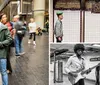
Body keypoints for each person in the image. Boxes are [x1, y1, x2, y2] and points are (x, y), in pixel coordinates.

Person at [0, 13, 12, 85]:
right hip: (2, 54)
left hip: (2, 54)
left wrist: (1, 44)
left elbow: (9, 39)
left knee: (3, 72)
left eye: (5, 17)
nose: (5, 18)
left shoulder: (4, 28)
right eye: (4, 17)